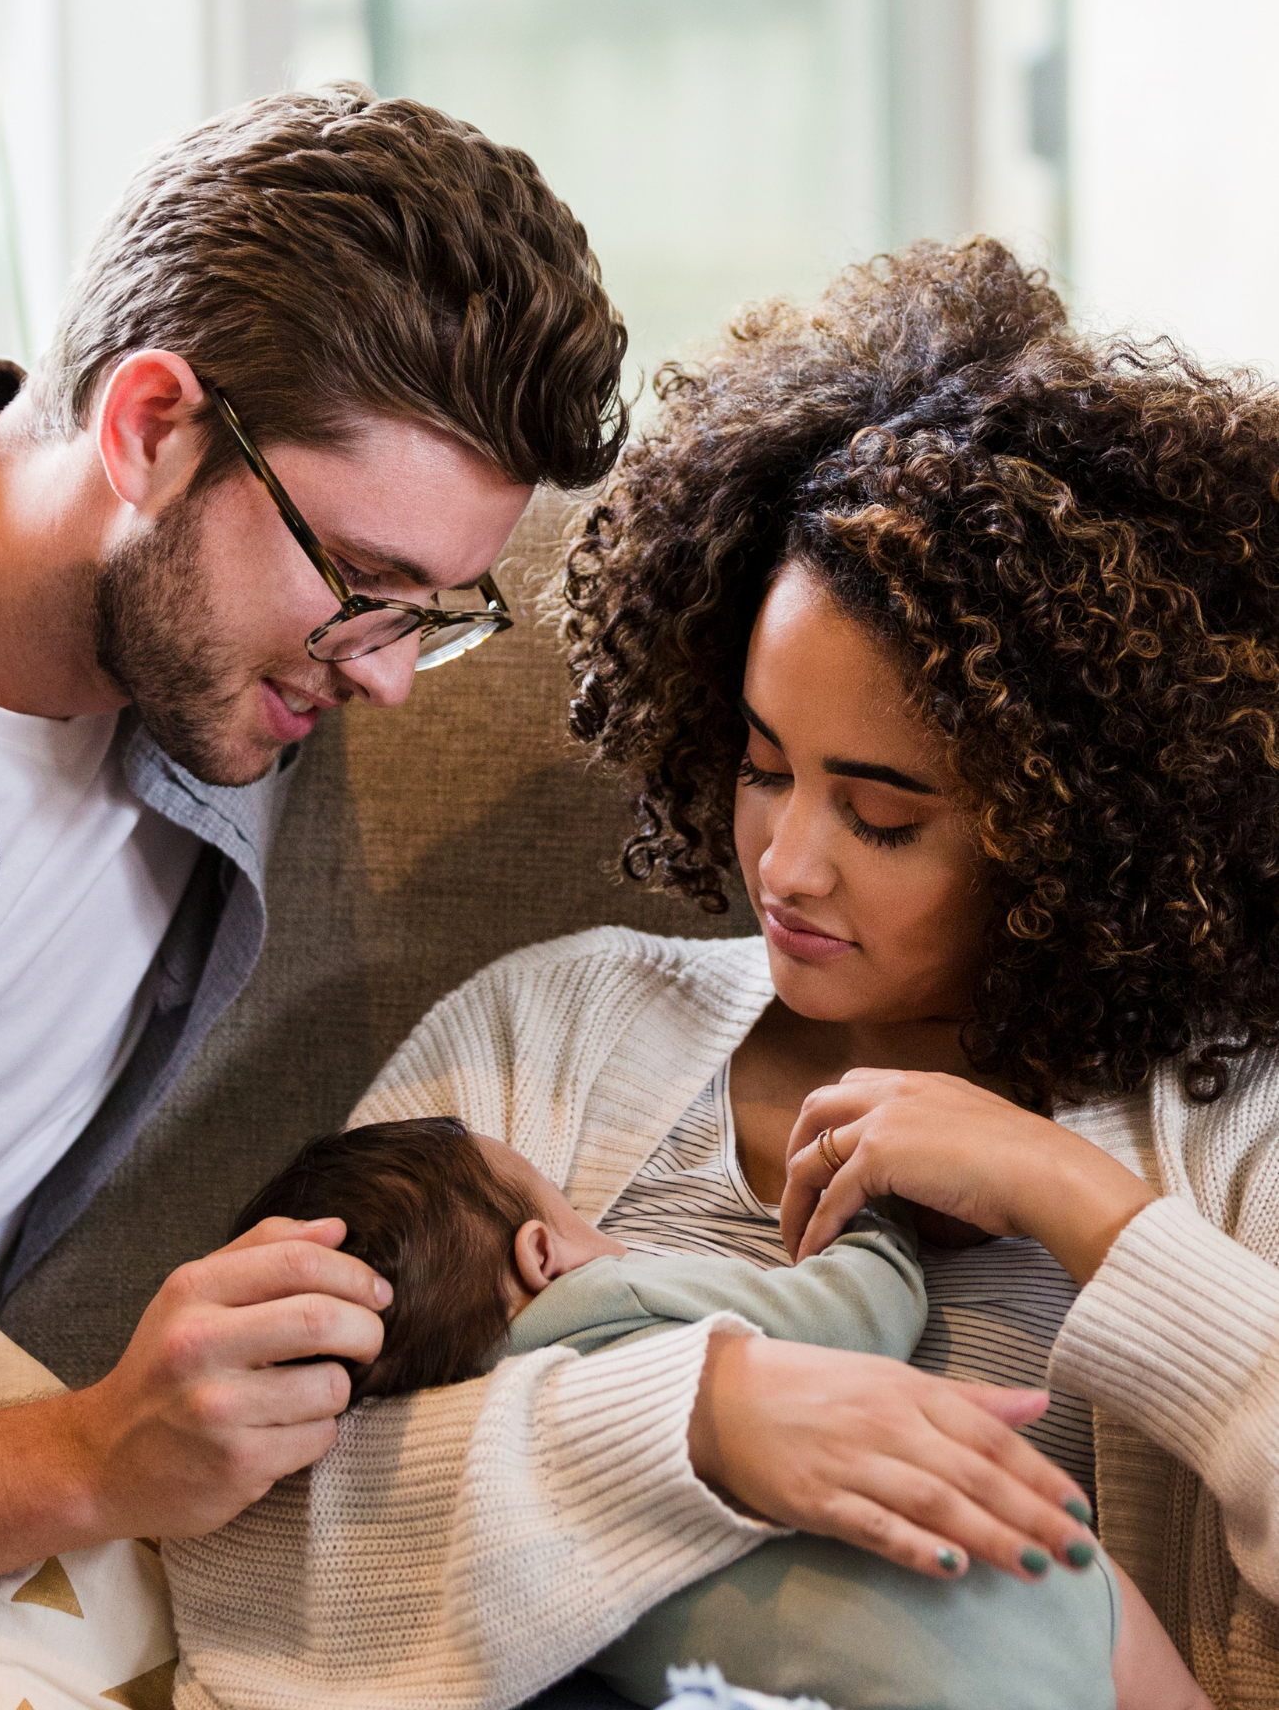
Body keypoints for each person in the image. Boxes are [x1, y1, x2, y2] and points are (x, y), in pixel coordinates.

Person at [162, 239, 1271, 1710]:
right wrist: (701, 1422)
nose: (789, 867)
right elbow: (239, 1522)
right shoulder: (550, 1029)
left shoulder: (1217, 1118)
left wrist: (1085, 1210)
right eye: (761, 768)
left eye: (881, 815)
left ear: (1074, 826)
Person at [0, 83, 627, 1636]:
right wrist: (79, 1456)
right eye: (365, 582)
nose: (391, 678)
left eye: (441, 611)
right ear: (148, 426)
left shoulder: (233, 687)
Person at [229, 1114, 1212, 1710]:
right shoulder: (626, 1300)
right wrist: (874, 1219)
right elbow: (857, 1316)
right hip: (1018, 1578)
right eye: (572, 1208)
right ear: (542, 1254)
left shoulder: (459, 1500)